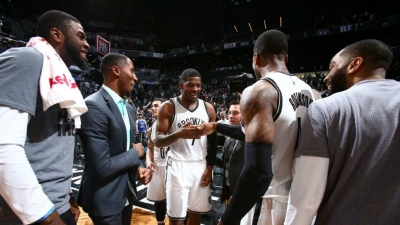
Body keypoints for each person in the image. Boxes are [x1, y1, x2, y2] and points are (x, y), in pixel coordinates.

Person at [200, 30, 315, 224]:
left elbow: (257, 172)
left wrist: (227, 220)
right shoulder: (309, 91)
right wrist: (217, 126)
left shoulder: (261, 90)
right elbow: (274, 134)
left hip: (267, 201)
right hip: (299, 201)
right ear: (286, 58)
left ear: (256, 57)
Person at [285, 39, 400, 225]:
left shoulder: (325, 109)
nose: (326, 76)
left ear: (354, 64)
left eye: (332, 67)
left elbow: (306, 198)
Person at [0, 10, 89, 225]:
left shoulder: (58, 73)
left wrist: (67, 196)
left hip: (56, 204)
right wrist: (46, 216)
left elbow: (54, 146)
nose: (87, 44)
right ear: (57, 34)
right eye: (80, 36)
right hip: (29, 215)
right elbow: (3, 146)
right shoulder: (27, 59)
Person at [78, 53, 152, 225]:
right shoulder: (93, 106)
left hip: (126, 193)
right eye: (132, 71)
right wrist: (136, 153)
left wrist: (138, 167)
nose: (135, 77)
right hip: (105, 198)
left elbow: (123, 147)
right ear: (116, 70)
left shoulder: (130, 106)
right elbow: (102, 167)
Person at [155, 68, 218, 225]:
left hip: (200, 165)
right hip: (177, 165)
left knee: (196, 215)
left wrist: (210, 167)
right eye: (191, 85)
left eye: (198, 85)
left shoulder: (208, 108)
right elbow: (158, 140)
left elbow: (213, 141)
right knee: (176, 219)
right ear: (181, 85)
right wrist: (178, 134)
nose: (195, 89)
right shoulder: (169, 107)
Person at [146, 98, 168, 224]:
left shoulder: (172, 124)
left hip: (171, 167)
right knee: (159, 202)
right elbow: (150, 148)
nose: (152, 108)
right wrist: (148, 161)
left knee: (175, 202)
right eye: (152, 106)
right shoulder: (151, 129)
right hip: (157, 167)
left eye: (156, 106)